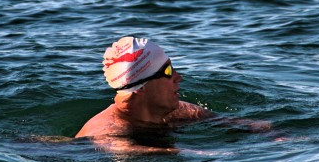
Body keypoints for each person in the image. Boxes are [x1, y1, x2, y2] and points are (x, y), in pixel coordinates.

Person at [75, 36, 270, 153]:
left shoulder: (180, 111)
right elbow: (126, 152)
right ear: (141, 87)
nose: (178, 77)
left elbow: (249, 125)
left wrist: (277, 137)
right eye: (168, 71)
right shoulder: (108, 132)